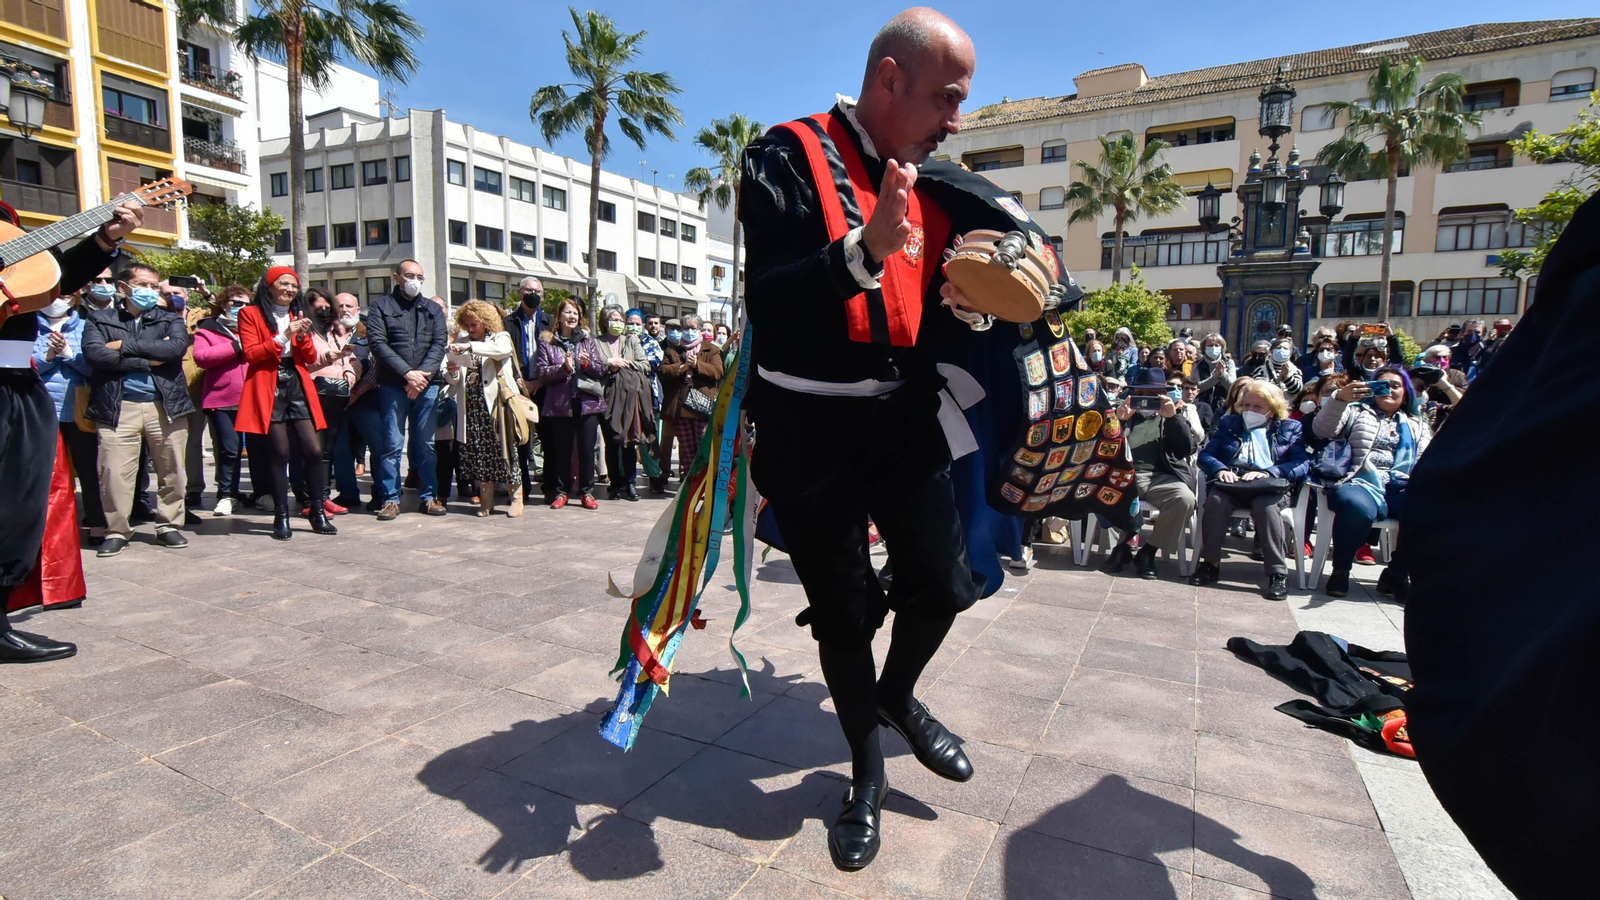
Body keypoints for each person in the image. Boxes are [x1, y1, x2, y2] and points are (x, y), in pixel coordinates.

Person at [742, 8, 1003, 870]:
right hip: (807, 426)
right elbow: (769, 300)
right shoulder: (783, 155)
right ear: (891, 79)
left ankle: (896, 695)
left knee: (947, 584)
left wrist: (969, 307)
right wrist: (864, 250)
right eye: (948, 98)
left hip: (899, 417)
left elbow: (927, 312)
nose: (957, 119)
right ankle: (866, 773)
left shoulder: (937, 183)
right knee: (845, 614)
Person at [2, 199, 139, 661]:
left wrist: (104, 239)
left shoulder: (6, 222)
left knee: (16, 506)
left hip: (14, 382)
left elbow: (50, 275)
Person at [81, 260, 195, 557]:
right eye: (142, 285)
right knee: (114, 473)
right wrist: (149, 358)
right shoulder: (100, 319)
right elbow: (95, 355)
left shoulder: (169, 319)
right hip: (118, 407)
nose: (150, 291)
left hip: (165, 405)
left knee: (172, 470)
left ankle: (168, 525)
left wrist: (121, 346)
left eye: (154, 286)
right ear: (123, 287)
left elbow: (175, 349)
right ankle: (117, 530)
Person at [1311, 365, 1430, 600]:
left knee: (1430, 508)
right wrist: (1339, 399)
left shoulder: (1417, 423)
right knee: (1354, 504)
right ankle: (1341, 569)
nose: (1389, 390)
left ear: (1406, 393)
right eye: (1382, 385)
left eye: (1395, 386)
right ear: (1371, 388)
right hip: (1361, 480)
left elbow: (1425, 459)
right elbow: (1321, 430)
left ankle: (1396, 574)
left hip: (1401, 485)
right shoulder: (1355, 411)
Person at [234, 267, 335, 541]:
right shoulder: (250, 314)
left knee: (314, 449)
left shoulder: (299, 315)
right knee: (279, 452)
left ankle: (317, 510)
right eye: (283, 283)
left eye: (294, 285)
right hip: (268, 383)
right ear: (269, 286)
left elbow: (310, 357)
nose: (290, 289)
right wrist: (284, 336)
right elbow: (252, 354)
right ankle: (281, 515)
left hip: (297, 383)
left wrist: (301, 337)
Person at [1191, 379, 1309, 600]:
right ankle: (1210, 564)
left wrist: (1270, 472)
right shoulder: (1229, 423)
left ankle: (1277, 574)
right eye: (1246, 405)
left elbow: (1301, 464)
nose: (1249, 410)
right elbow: (1206, 455)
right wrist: (1220, 469)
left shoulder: (1290, 428)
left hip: (1268, 486)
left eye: (1257, 406)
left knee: (1266, 508)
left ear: (1273, 409)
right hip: (1232, 482)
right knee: (1216, 502)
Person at [366, 259, 448, 520]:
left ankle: (429, 497)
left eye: (420, 277)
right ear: (397, 277)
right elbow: (378, 343)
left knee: (426, 445)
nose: (415, 281)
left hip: (427, 385)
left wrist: (421, 375)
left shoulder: (433, 309)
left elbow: (439, 343)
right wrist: (407, 373)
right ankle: (390, 499)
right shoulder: (381, 306)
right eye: (410, 275)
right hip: (393, 385)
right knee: (392, 444)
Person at [1098, 369, 1199, 580]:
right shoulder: (1120, 413)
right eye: (1141, 394)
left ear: (1163, 395)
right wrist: (1118, 422)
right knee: (1107, 491)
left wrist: (1173, 418)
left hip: (1159, 476)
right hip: (1124, 474)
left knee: (1185, 498)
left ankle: (1149, 551)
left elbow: (1186, 448)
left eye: (1152, 395)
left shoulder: (1172, 415)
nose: (1145, 400)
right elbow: (1101, 449)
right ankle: (1122, 546)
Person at [32, 287, 106, 544]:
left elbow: (94, 367)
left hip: (78, 408)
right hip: (43, 408)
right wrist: (48, 356)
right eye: (51, 296)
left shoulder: (85, 327)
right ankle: (48, 526)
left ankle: (96, 522)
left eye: (63, 296)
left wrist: (69, 354)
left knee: (88, 469)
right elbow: (22, 366)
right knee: (48, 472)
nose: (57, 302)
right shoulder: (28, 326)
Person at [446, 300, 521, 517]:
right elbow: (455, 380)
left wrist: (470, 347)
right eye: (467, 325)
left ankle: (516, 498)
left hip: (497, 405)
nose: (470, 329)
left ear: (485, 322)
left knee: (506, 452)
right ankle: (486, 501)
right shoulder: (461, 342)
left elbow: (502, 351)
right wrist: (452, 371)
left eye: (474, 324)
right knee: (479, 454)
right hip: (472, 407)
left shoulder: (499, 337)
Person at [535, 297, 606, 509]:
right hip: (560, 404)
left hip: (587, 404)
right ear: (559, 316)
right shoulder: (547, 342)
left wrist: (587, 363)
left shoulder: (587, 340)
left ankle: (587, 493)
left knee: (586, 450)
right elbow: (542, 371)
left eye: (575, 313)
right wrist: (563, 368)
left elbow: (600, 369)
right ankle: (561, 492)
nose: (572, 316)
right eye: (568, 312)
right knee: (561, 451)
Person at [191, 285, 255, 517]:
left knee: (258, 450)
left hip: (254, 399)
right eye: (236, 303)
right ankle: (226, 494)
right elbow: (202, 357)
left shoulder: (255, 328)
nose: (241, 308)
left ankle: (261, 492)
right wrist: (236, 346)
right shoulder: (207, 329)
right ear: (224, 304)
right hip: (222, 399)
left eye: (246, 304)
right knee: (229, 449)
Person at [304, 289, 360, 516]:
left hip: (335, 398)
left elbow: (350, 360)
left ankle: (323, 497)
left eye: (328, 308)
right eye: (319, 308)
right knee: (311, 450)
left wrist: (350, 373)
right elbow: (302, 361)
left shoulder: (336, 333)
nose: (324, 312)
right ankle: (308, 500)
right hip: (311, 395)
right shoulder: (305, 333)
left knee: (327, 450)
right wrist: (326, 359)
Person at [596, 305, 651, 501]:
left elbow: (645, 365)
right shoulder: (596, 342)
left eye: (620, 320)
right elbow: (592, 367)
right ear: (605, 321)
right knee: (611, 443)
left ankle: (631, 483)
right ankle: (615, 484)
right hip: (606, 398)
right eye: (614, 319)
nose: (618, 323)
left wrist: (624, 363)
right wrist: (608, 363)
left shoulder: (631, 340)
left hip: (628, 398)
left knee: (629, 442)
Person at [658, 314, 723, 478]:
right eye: (686, 328)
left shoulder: (711, 349)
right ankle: (689, 481)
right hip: (680, 407)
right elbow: (663, 371)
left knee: (704, 447)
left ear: (700, 330)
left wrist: (697, 365)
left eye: (693, 328)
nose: (689, 331)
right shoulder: (672, 350)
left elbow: (717, 372)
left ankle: (706, 481)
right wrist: (682, 367)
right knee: (687, 449)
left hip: (701, 407)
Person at [504, 277, 545, 494]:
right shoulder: (508, 322)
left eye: (538, 291)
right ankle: (522, 488)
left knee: (548, 438)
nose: (534, 295)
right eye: (529, 290)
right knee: (520, 439)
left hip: (544, 387)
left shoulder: (549, 322)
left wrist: (539, 381)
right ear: (520, 293)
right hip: (518, 387)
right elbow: (504, 355)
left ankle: (550, 485)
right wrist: (518, 379)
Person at [1193, 332, 1236, 413]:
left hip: (1223, 407)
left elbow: (1233, 387)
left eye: (1216, 345)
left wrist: (1222, 375)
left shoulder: (1229, 363)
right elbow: (1195, 387)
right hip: (1202, 406)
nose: (1213, 348)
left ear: (1222, 347)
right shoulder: (1197, 364)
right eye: (1210, 345)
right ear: (1204, 348)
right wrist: (1214, 378)